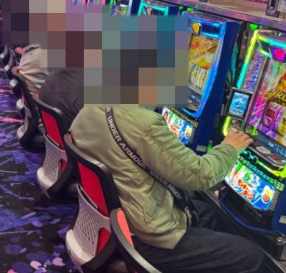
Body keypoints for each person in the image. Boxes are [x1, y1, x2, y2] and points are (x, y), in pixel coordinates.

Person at [70, 104, 265, 272]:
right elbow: (201, 176)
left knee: (208, 213)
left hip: (114, 218)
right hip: (144, 235)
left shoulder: (90, 108)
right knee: (252, 255)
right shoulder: (144, 123)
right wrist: (230, 147)